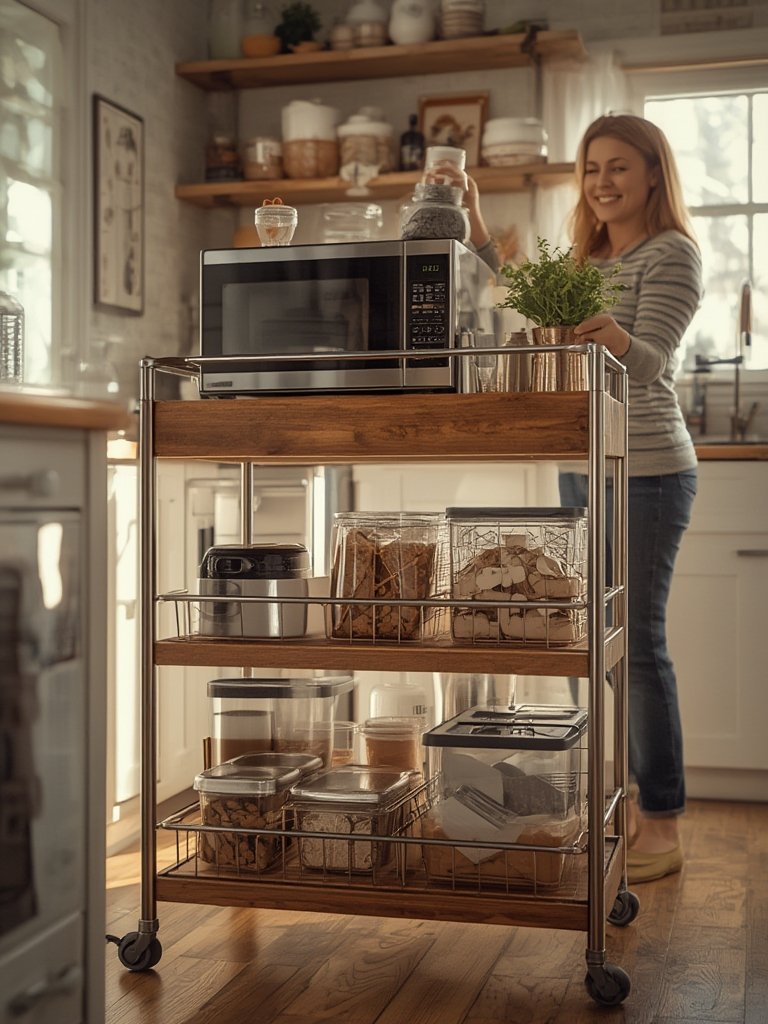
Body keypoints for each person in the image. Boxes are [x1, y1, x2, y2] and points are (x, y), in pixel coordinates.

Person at [432, 115, 703, 884]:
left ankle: (663, 824)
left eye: (619, 167)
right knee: (599, 648)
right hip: (586, 464)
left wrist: (614, 336)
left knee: (639, 647)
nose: (603, 182)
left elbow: (650, 363)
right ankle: (617, 799)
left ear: (654, 174)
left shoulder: (671, 254)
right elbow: (519, 296)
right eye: (591, 169)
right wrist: (479, 223)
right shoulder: (588, 256)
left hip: (648, 469)